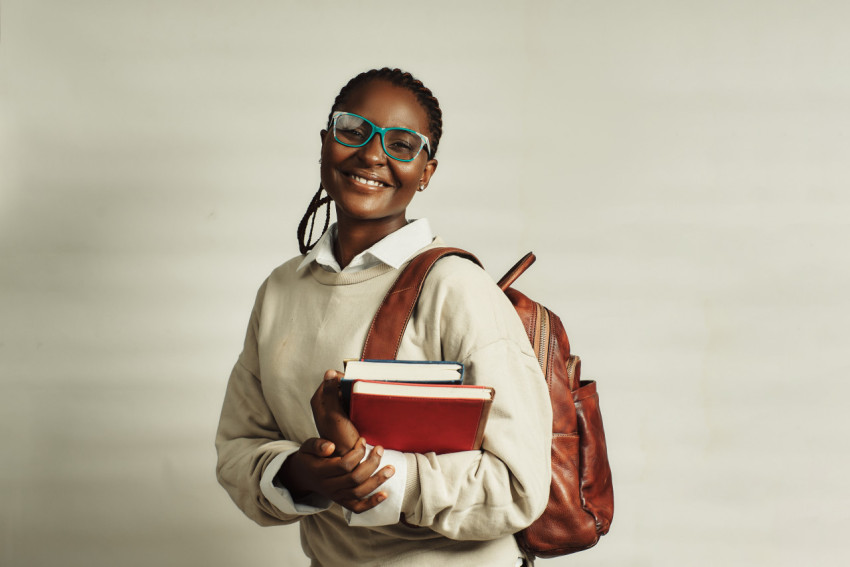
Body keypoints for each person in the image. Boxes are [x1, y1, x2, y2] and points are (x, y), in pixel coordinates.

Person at [215, 67, 553, 566]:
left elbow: (520, 484)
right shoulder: (281, 291)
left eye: (401, 144)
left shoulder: (456, 289)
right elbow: (240, 447)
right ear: (327, 141)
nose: (372, 154)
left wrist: (376, 478)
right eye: (354, 130)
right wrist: (301, 474)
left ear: (426, 172)